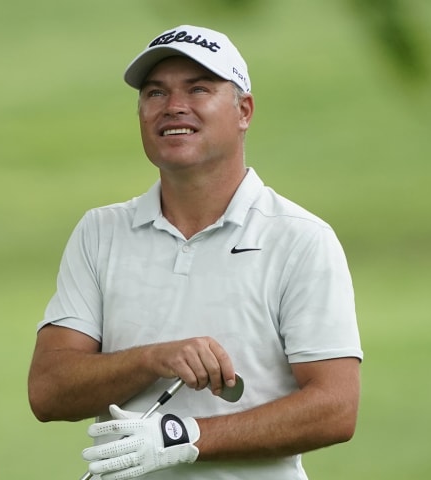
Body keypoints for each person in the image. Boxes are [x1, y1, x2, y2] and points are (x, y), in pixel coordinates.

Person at [28, 24, 363, 480]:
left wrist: (183, 439)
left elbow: (335, 408)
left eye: (199, 88)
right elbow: (49, 390)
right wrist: (152, 359)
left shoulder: (300, 238)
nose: (174, 107)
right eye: (155, 93)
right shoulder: (100, 231)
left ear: (243, 110)